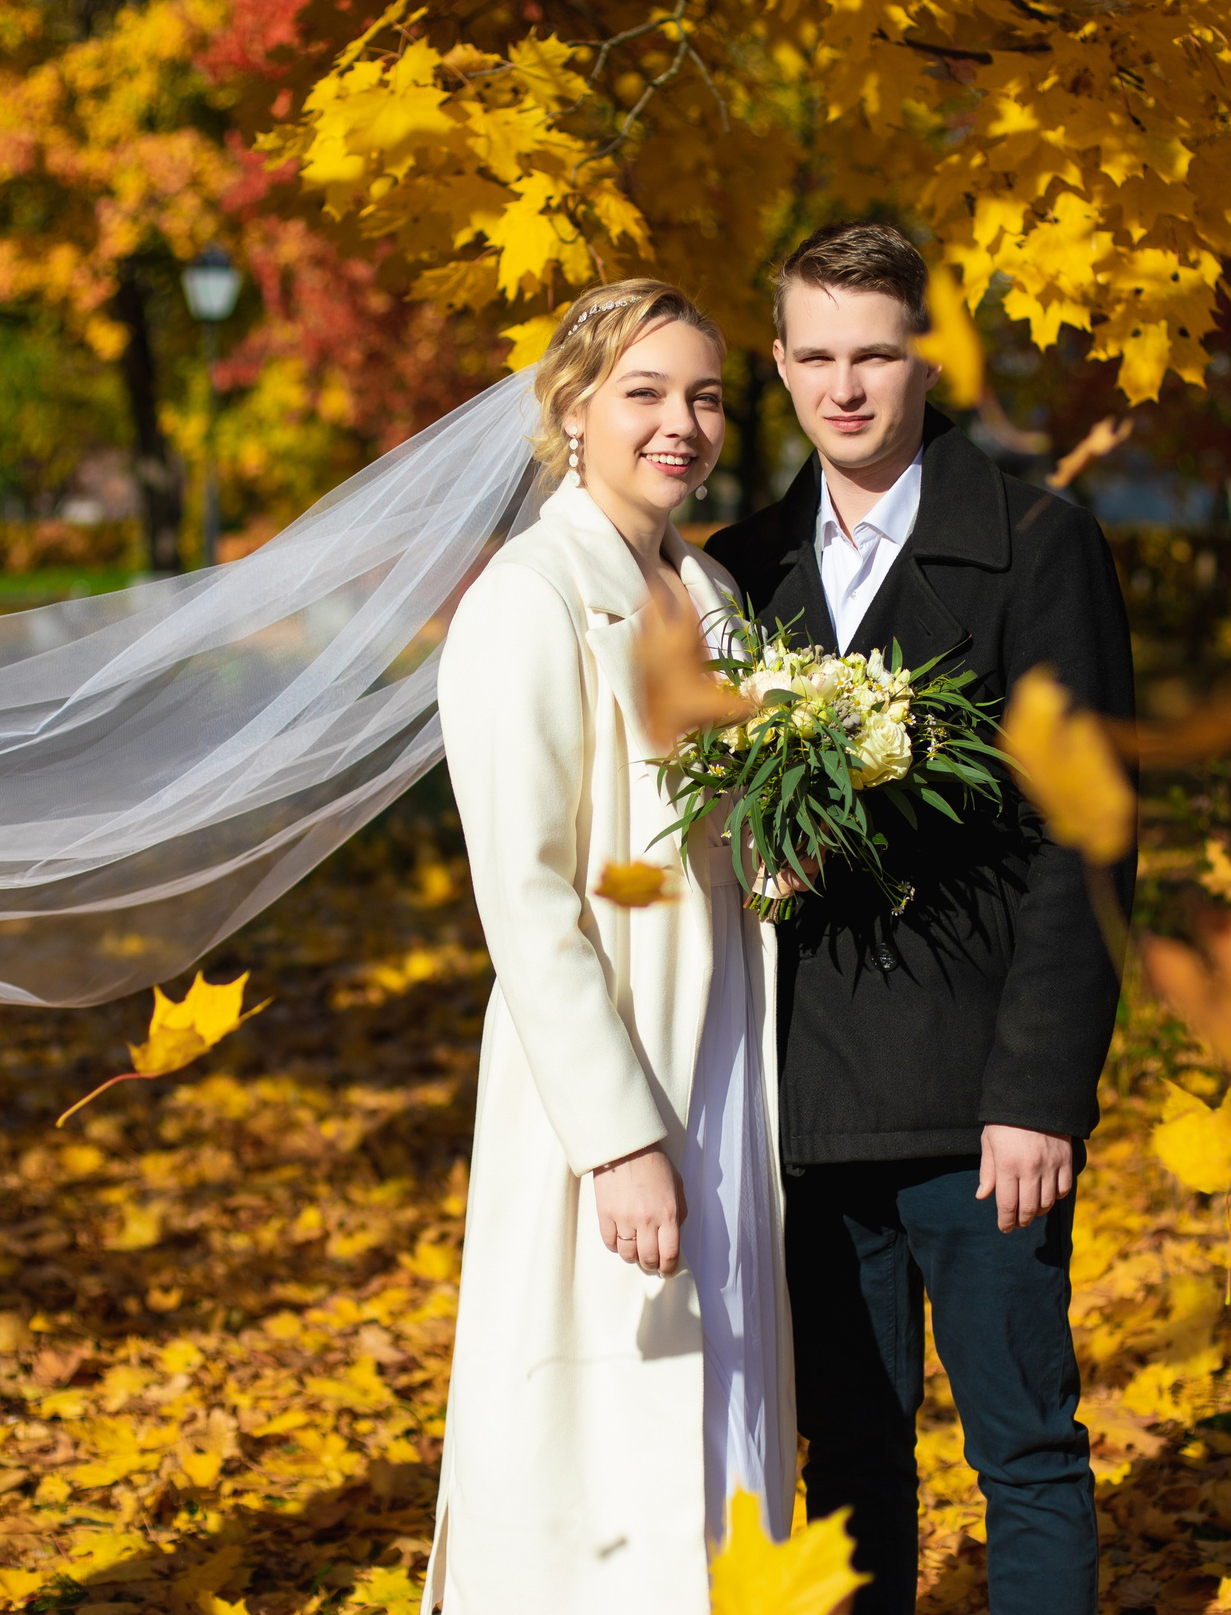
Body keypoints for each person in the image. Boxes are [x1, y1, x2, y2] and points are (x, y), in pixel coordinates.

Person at [706, 223, 1136, 1615]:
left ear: (926, 359)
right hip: (807, 1105)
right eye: (817, 356)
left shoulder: (1035, 545)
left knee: (1023, 1449)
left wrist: (1041, 1092)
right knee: (849, 1465)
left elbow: (1086, 840)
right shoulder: (739, 568)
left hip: (980, 1104)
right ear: (778, 365)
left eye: (875, 355)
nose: (846, 389)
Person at [426, 280, 793, 1612]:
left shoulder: (711, 594)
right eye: (643, 393)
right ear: (572, 408)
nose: (679, 424)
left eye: (701, 395)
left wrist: (782, 846)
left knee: (724, 1396)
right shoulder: (528, 600)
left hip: (726, 1041)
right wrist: (617, 1137)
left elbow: (714, 824)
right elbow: (526, 891)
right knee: (594, 1418)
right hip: (607, 1064)